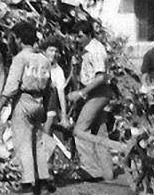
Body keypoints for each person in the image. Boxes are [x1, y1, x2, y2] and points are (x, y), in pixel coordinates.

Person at [2, 22, 54, 194]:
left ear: (18, 39)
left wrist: (0, 105)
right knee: (37, 142)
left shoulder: (20, 59)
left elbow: (12, 85)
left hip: (23, 100)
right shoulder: (44, 60)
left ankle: (28, 182)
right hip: (39, 102)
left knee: (23, 142)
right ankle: (44, 179)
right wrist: (45, 108)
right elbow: (49, 87)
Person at [67, 20, 114, 182]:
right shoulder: (86, 51)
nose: (77, 40)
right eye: (76, 37)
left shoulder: (95, 50)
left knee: (80, 131)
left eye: (80, 36)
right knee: (99, 132)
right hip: (94, 92)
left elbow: (100, 77)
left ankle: (91, 170)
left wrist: (81, 93)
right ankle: (107, 172)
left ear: (88, 35)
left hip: (98, 93)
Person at [41, 35, 69, 135]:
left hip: (49, 106)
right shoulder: (39, 64)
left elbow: (61, 94)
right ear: (44, 51)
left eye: (56, 51)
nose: (53, 54)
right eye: (51, 50)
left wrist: (64, 116)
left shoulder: (58, 71)